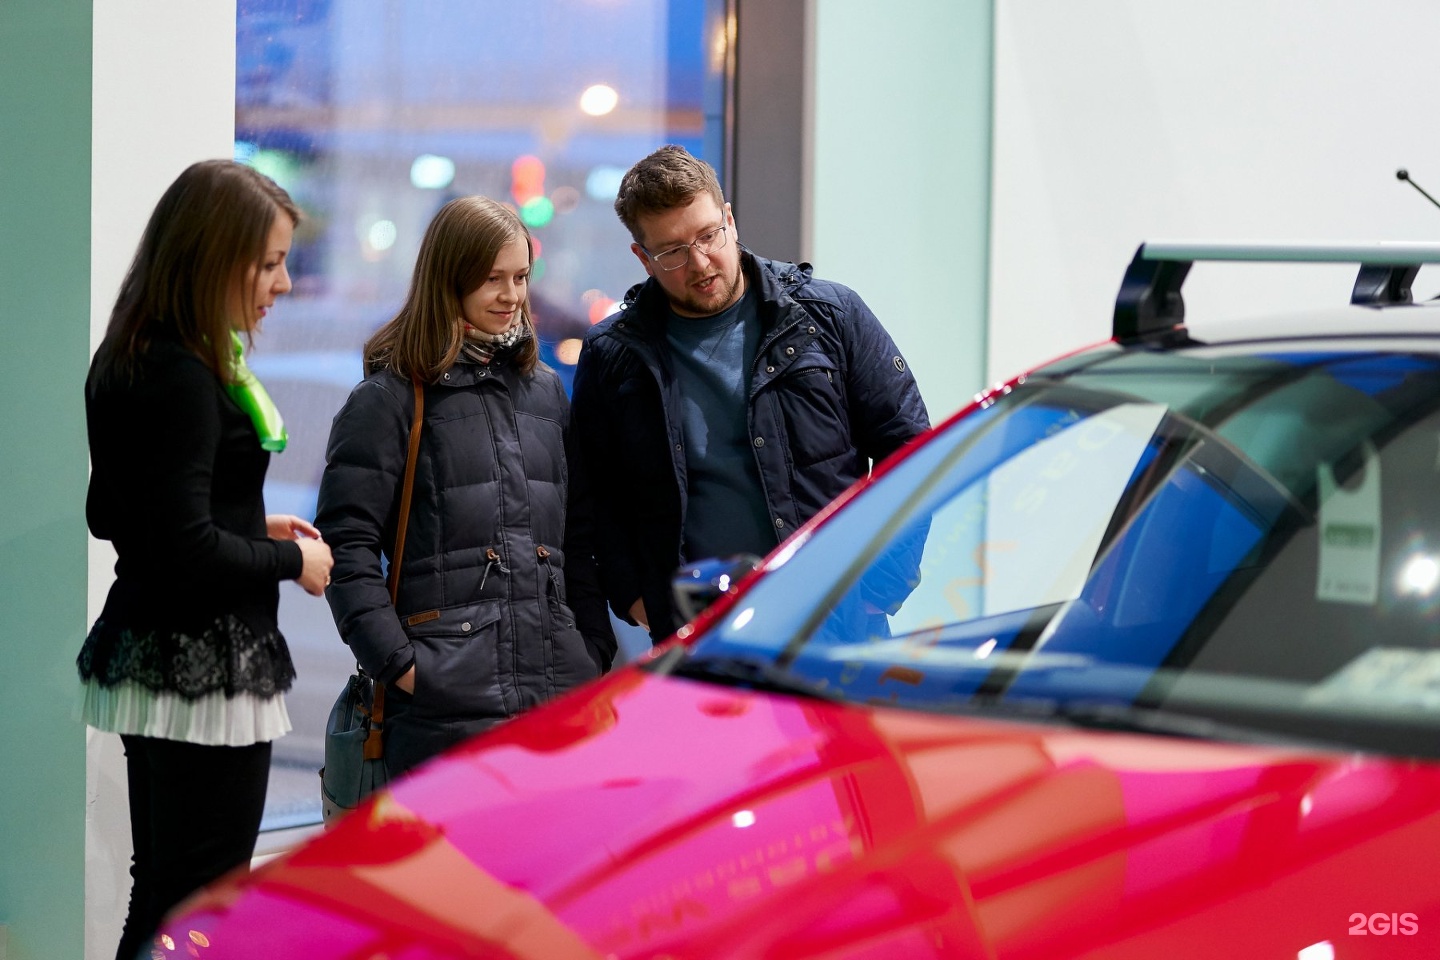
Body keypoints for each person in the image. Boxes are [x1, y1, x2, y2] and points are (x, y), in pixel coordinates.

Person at [78, 159, 334, 960]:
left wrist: (249, 519)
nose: (284, 284)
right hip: (205, 661)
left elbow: (114, 514)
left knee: (162, 894)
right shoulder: (187, 375)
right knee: (202, 909)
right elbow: (187, 549)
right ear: (209, 258)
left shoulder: (130, 354)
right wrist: (291, 564)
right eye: (267, 263)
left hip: (150, 654)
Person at [572, 144, 931, 643]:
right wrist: (635, 595)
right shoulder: (614, 356)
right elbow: (596, 496)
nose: (700, 263)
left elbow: (912, 454)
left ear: (730, 220)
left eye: (708, 235)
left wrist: (878, 588)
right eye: (673, 251)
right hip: (697, 638)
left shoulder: (828, 316)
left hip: (836, 625)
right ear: (643, 258)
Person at [315, 195, 616, 780]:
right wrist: (402, 666)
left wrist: (592, 649)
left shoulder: (546, 394)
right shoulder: (389, 400)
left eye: (522, 277)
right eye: (492, 279)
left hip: (555, 702)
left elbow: (578, 537)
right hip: (442, 714)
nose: (512, 295)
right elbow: (346, 546)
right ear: (447, 280)